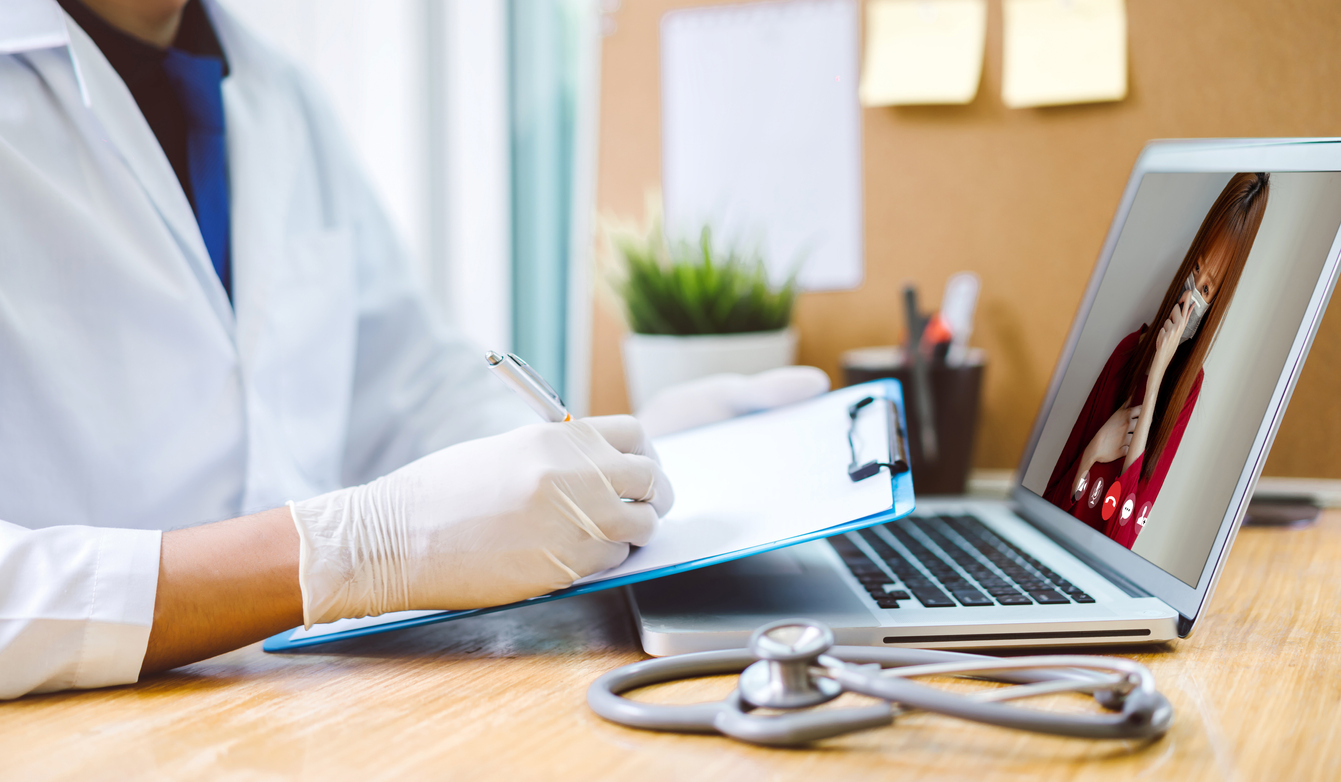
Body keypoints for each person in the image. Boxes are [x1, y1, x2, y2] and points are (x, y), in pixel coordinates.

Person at [0, 0, 828, 699]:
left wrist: (614, 455)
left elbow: (407, 392)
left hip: (289, 708)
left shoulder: (278, 95)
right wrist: (349, 549)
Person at [1042, 173, 1271, 548]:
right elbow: (1051, 504)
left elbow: (1121, 540)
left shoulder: (1187, 391)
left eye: (1208, 287)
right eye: (1195, 270)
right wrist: (1092, 453)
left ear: (1216, 302)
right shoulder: (1127, 352)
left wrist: (1156, 381)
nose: (1191, 295)